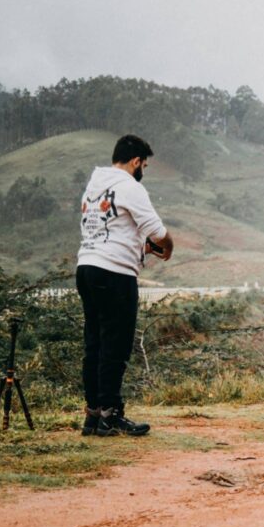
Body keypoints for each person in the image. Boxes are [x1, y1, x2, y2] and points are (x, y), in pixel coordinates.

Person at [76, 134, 174, 436]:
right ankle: (111, 414)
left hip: (87, 268)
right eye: (143, 164)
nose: (142, 169)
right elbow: (157, 232)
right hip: (115, 274)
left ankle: (93, 415)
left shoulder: (94, 186)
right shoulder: (130, 187)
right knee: (115, 345)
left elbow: (112, 233)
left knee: (94, 342)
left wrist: (141, 249)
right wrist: (167, 246)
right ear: (135, 162)